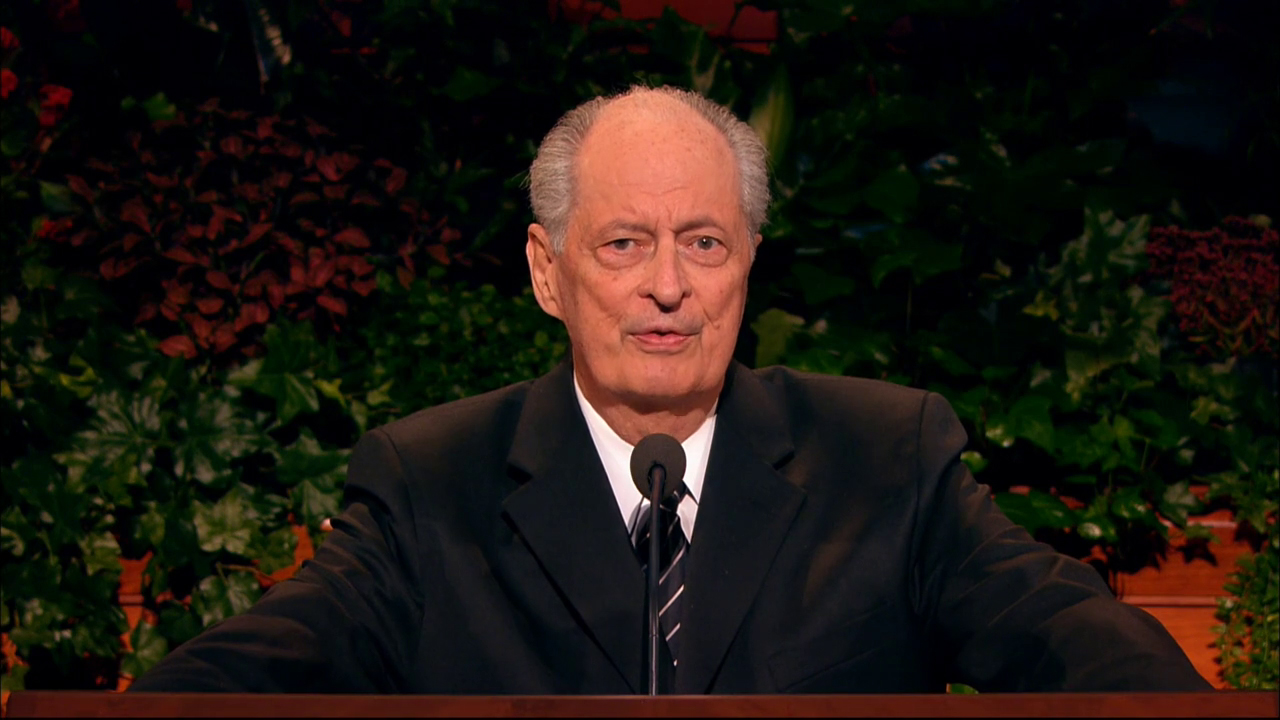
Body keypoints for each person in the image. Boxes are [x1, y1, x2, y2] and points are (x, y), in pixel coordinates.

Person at [131, 85, 1211, 694]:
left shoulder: (887, 459)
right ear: (547, 273)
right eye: (623, 243)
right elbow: (269, 660)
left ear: (748, 264)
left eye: (703, 241)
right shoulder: (431, 483)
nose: (667, 286)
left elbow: (1065, 634)